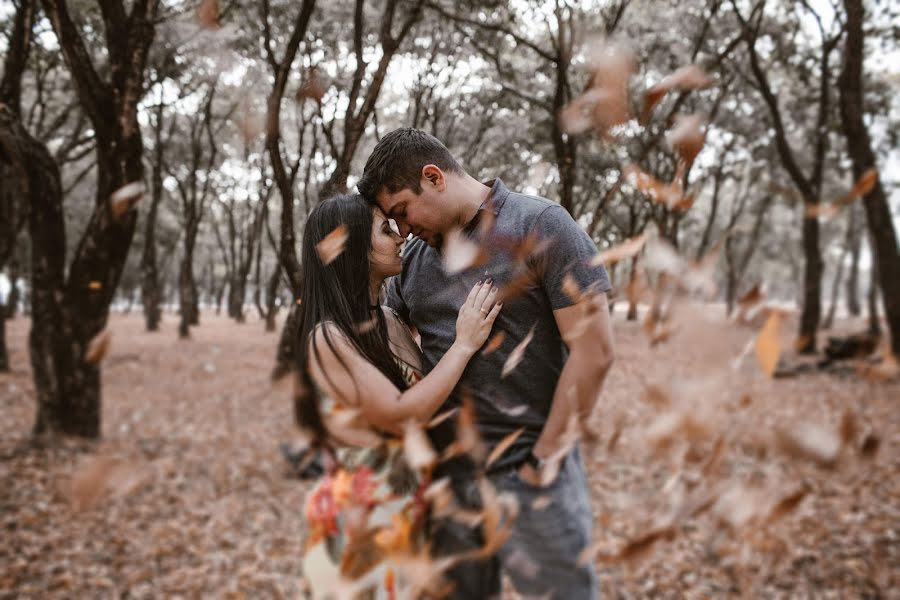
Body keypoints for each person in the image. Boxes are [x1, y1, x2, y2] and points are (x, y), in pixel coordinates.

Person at [357, 128, 616, 599]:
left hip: (533, 480)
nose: (404, 230)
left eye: (402, 213)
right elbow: (392, 342)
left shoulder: (542, 225)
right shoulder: (415, 257)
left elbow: (595, 350)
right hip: (452, 486)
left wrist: (544, 462)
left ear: (432, 177)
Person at [293, 193, 502, 599]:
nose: (400, 236)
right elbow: (404, 414)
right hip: (361, 524)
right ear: (353, 248)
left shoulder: (389, 320)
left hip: (410, 512)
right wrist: (463, 344)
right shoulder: (328, 337)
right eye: (386, 230)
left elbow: (429, 389)